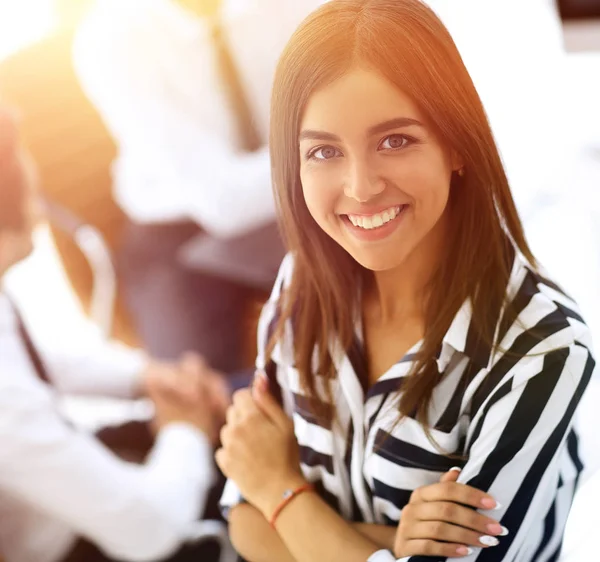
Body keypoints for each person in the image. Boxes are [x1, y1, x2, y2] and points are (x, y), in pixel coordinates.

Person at [216, 1, 595, 561]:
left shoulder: (542, 352)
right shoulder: (300, 286)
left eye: (395, 140)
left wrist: (281, 492)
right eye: (323, 151)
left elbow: (261, 493)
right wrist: (395, 544)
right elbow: (242, 519)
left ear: (457, 142)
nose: (361, 186)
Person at [0, 107, 230, 562]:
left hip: (83, 498)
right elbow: (152, 534)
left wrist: (147, 377)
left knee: (244, 403)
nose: (36, 175)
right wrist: (186, 431)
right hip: (83, 546)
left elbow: (35, 360)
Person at [71, 0, 325, 369]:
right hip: (176, 235)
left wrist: (331, 150)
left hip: (298, 194)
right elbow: (224, 201)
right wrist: (333, 149)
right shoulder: (112, 36)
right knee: (201, 394)